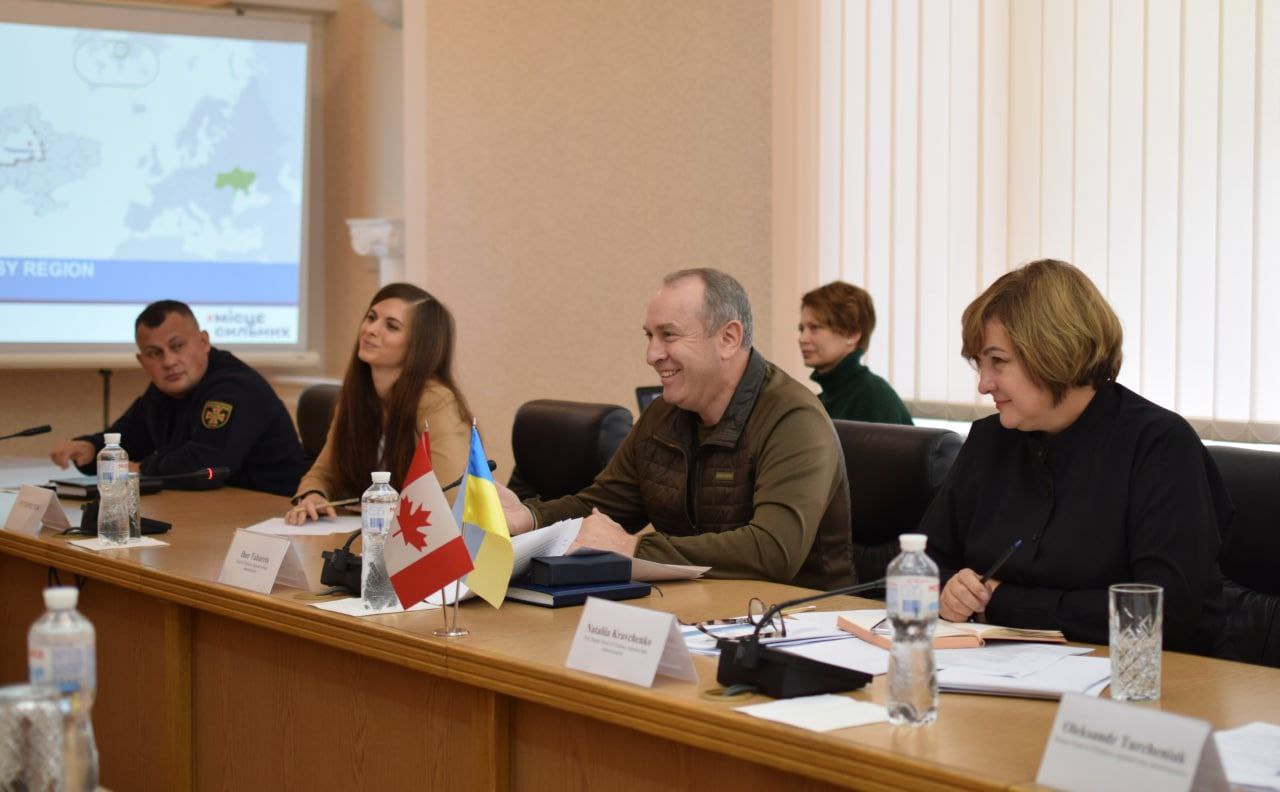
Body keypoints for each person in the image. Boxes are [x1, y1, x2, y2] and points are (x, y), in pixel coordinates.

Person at [921, 259, 1229, 654]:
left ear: (1055, 351)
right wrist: (950, 589)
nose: (983, 384)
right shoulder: (988, 439)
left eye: (998, 361)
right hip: (999, 668)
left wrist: (1003, 601)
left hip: (1153, 677)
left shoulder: (1159, 445)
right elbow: (922, 561)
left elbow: (1160, 613)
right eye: (979, 364)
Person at [500, 268, 854, 590]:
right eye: (649, 336)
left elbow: (773, 551)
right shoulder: (664, 414)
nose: (652, 354)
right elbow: (603, 506)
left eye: (668, 335)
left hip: (802, 619)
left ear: (729, 338)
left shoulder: (793, 419)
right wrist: (529, 517)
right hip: (701, 609)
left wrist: (634, 548)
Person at [49, 300, 308, 496]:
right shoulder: (164, 390)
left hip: (271, 511)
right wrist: (92, 448)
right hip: (216, 508)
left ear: (204, 342)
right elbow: (130, 436)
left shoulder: (235, 387)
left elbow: (205, 469)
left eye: (177, 346)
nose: (169, 361)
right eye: (155, 353)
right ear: (142, 361)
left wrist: (139, 469)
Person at [286, 283, 472, 524]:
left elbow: (452, 495)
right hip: (366, 535)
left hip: (421, 537)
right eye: (371, 318)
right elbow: (322, 473)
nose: (371, 330)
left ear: (419, 345)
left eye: (392, 326)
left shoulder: (437, 401)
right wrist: (313, 495)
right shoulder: (356, 395)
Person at [799, 281, 912, 425]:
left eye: (814, 327)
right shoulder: (821, 401)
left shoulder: (872, 396)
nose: (802, 339)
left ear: (852, 334)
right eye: (801, 329)